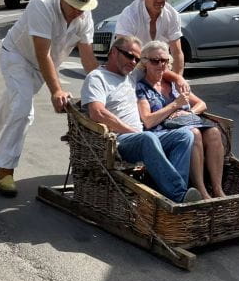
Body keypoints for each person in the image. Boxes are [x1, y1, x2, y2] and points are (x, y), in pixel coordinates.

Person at [0, 0, 100, 197]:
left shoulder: (84, 15)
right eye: (75, 7)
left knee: (13, 103)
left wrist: (102, 88)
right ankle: (5, 170)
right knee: (24, 109)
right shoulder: (41, 4)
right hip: (17, 56)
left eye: (82, 8)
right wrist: (56, 91)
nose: (79, 12)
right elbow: (43, 54)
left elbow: (88, 58)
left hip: (42, 66)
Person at [82, 36, 202, 204]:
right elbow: (97, 113)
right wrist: (132, 131)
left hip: (143, 136)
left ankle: (169, 194)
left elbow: (158, 66)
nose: (133, 62)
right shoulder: (97, 77)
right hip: (118, 140)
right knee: (148, 137)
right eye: (129, 56)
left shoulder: (131, 74)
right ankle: (179, 196)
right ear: (114, 52)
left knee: (185, 135)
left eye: (137, 59)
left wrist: (178, 78)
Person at [135, 41, 226, 200]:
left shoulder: (174, 84)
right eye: (155, 61)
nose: (161, 65)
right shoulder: (141, 88)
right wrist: (174, 106)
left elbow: (201, 104)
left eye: (165, 61)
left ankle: (218, 190)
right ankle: (202, 191)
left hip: (186, 123)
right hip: (163, 131)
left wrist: (188, 112)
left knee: (214, 132)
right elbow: (148, 120)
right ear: (145, 63)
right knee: (194, 133)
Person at [114, 0, 186, 75]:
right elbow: (122, 52)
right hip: (134, 67)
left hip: (161, 66)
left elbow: (177, 52)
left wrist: (177, 80)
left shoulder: (172, 15)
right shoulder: (130, 14)